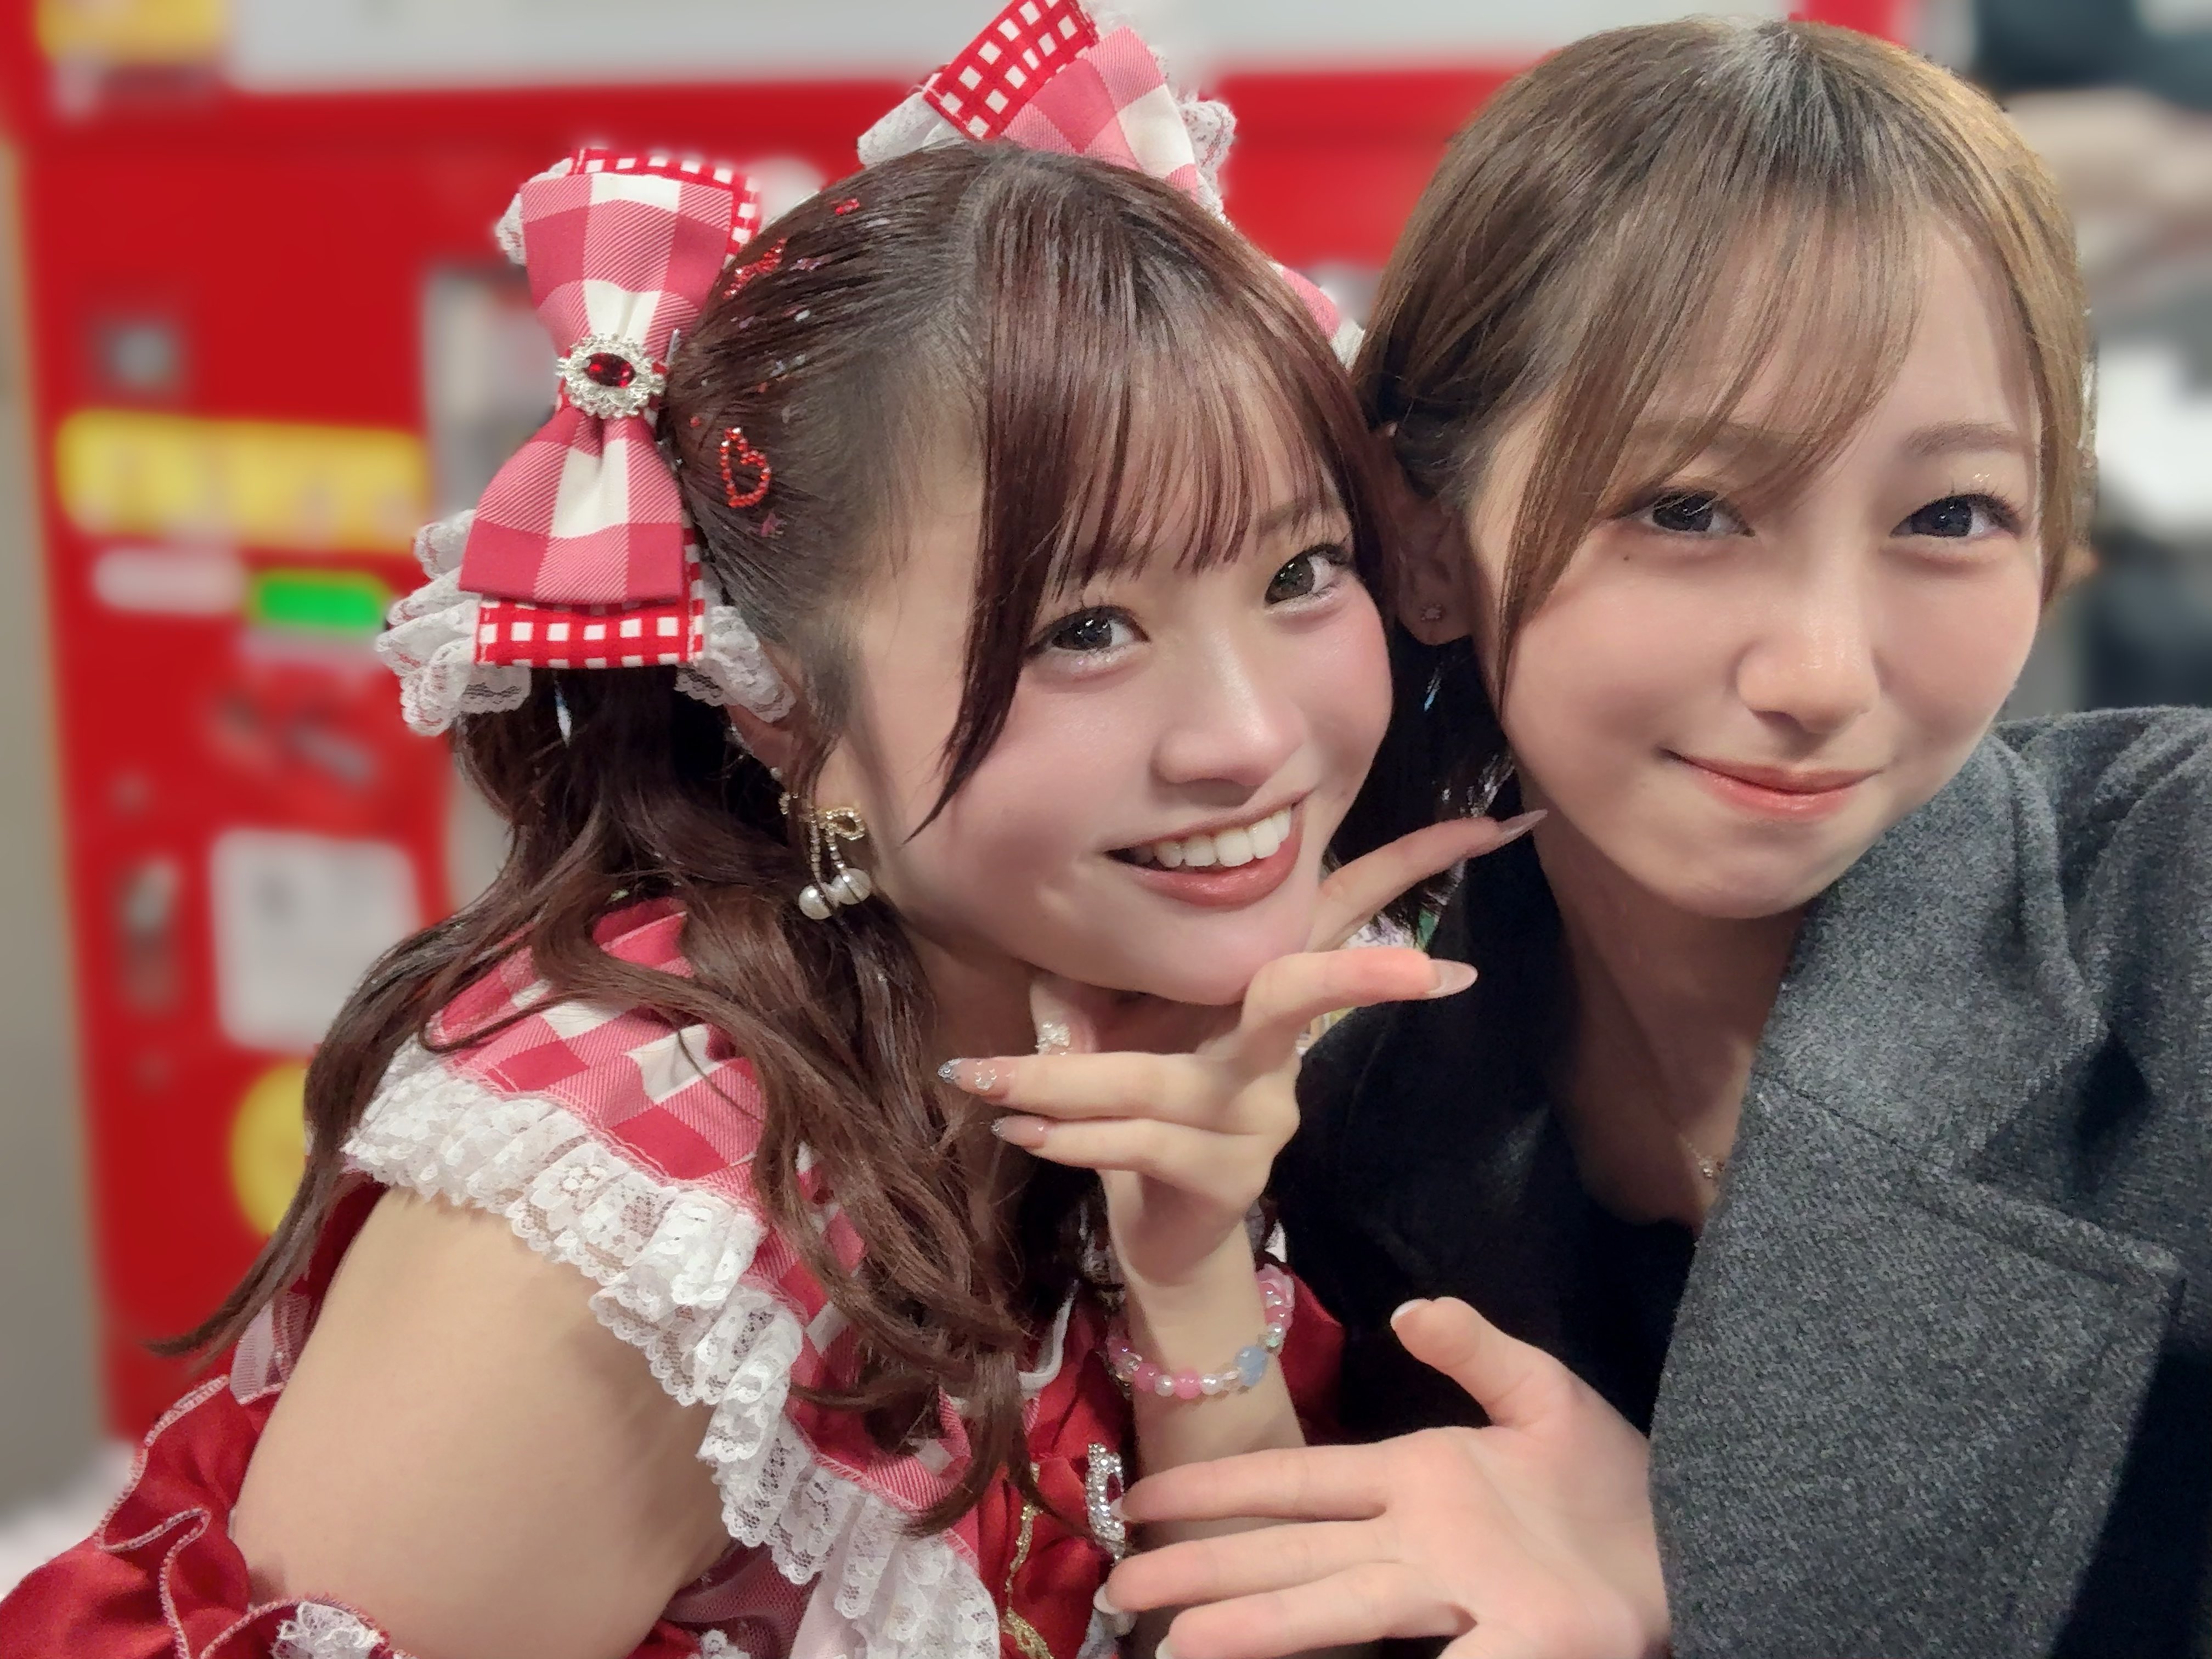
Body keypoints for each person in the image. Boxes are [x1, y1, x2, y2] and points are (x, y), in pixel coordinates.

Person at [0, 7, 1511, 1655]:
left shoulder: (1121, 1021)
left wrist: (1192, 1263)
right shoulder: (629, 1231)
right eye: (1084, 628)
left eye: (1300, 572)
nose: (1251, 737)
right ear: (779, 700)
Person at [1086, 19, 2212, 1658]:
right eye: (1688, 510)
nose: (1821, 674)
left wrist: (1700, 1583)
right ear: (1424, 543)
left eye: (1950, 514)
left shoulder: (2175, 900)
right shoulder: (1357, 1128)